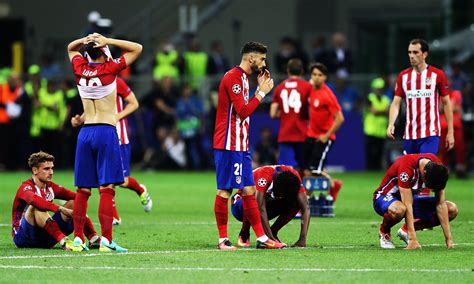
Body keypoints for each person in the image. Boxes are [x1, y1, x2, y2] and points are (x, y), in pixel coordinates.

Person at [67, 33, 142, 252]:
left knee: (82, 190)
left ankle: (79, 239)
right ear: (103, 52)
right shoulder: (110, 69)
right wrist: (107, 40)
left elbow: (71, 48)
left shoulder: (79, 68)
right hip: (105, 131)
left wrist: (84, 40)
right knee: (107, 188)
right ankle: (106, 241)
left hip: (85, 133)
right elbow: (137, 47)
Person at [213, 41, 285, 250]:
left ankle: (262, 239)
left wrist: (258, 88)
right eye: (261, 58)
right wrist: (262, 92)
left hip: (240, 144)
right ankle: (222, 240)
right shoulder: (233, 77)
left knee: (249, 189)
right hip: (228, 143)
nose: (264, 62)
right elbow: (242, 111)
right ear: (251, 58)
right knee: (225, 190)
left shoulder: (244, 79)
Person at [72, 76, 153, 225]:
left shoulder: (116, 81)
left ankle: (140, 189)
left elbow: (134, 103)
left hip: (118, 137)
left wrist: (116, 117)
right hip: (100, 135)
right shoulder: (92, 80)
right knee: (103, 177)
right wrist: (81, 118)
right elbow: (95, 107)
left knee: (120, 180)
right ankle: (114, 216)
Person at [11, 151, 100, 250]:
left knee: (74, 203)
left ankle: (93, 238)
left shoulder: (51, 187)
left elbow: (79, 198)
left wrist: (88, 189)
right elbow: (35, 201)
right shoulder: (25, 187)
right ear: (35, 170)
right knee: (35, 207)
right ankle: (64, 241)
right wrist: (61, 209)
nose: (51, 172)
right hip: (24, 237)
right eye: (46, 169)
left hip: (45, 237)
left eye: (52, 168)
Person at [373, 153, 458, 249]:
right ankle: (384, 232)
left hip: (411, 199)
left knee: (451, 209)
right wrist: (413, 239)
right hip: (384, 197)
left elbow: (441, 204)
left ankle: (405, 230)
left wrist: (449, 239)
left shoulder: (437, 168)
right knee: (400, 209)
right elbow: (407, 204)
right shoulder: (407, 166)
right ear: (424, 172)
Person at [387, 38, 454, 155]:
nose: (411, 56)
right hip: (410, 134)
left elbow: (447, 103)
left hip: (430, 133)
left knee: (425, 166)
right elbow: (396, 103)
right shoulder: (403, 76)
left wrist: (450, 132)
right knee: (412, 172)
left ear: (425, 54)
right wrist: (391, 123)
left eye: (415, 52)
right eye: (409, 52)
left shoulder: (437, 75)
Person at [231, 165, 310, 247]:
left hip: (263, 204)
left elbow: (305, 207)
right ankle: (244, 233)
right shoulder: (264, 175)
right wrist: (271, 240)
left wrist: (302, 239)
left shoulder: (294, 177)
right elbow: (259, 207)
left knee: (296, 202)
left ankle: (273, 232)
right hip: (239, 206)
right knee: (254, 198)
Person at [306, 63, 344, 202]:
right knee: (308, 170)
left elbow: (340, 118)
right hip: (310, 135)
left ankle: (332, 186)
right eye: (314, 75)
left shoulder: (328, 95)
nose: (316, 78)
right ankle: (333, 185)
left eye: (320, 75)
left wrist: (326, 135)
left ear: (325, 77)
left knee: (315, 170)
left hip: (324, 137)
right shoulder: (310, 89)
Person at [270, 58, 313, 170]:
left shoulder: (279, 88)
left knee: (284, 168)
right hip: (303, 133)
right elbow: (312, 109)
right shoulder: (308, 87)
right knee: (305, 168)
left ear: (288, 71)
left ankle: (282, 188)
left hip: (286, 133)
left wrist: (285, 113)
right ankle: (303, 188)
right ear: (302, 71)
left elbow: (273, 113)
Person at [364, 78, 391, 170]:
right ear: (374, 88)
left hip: (381, 131)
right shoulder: (369, 97)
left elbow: (389, 112)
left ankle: (377, 170)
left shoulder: (386, 99)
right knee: (371, 153)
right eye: (377, 88)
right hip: (370, 130)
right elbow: (373, 111)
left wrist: (380, 111)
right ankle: (369, 170)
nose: (379, 90)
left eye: (381, 88)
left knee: (380, 153)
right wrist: (383, 111)